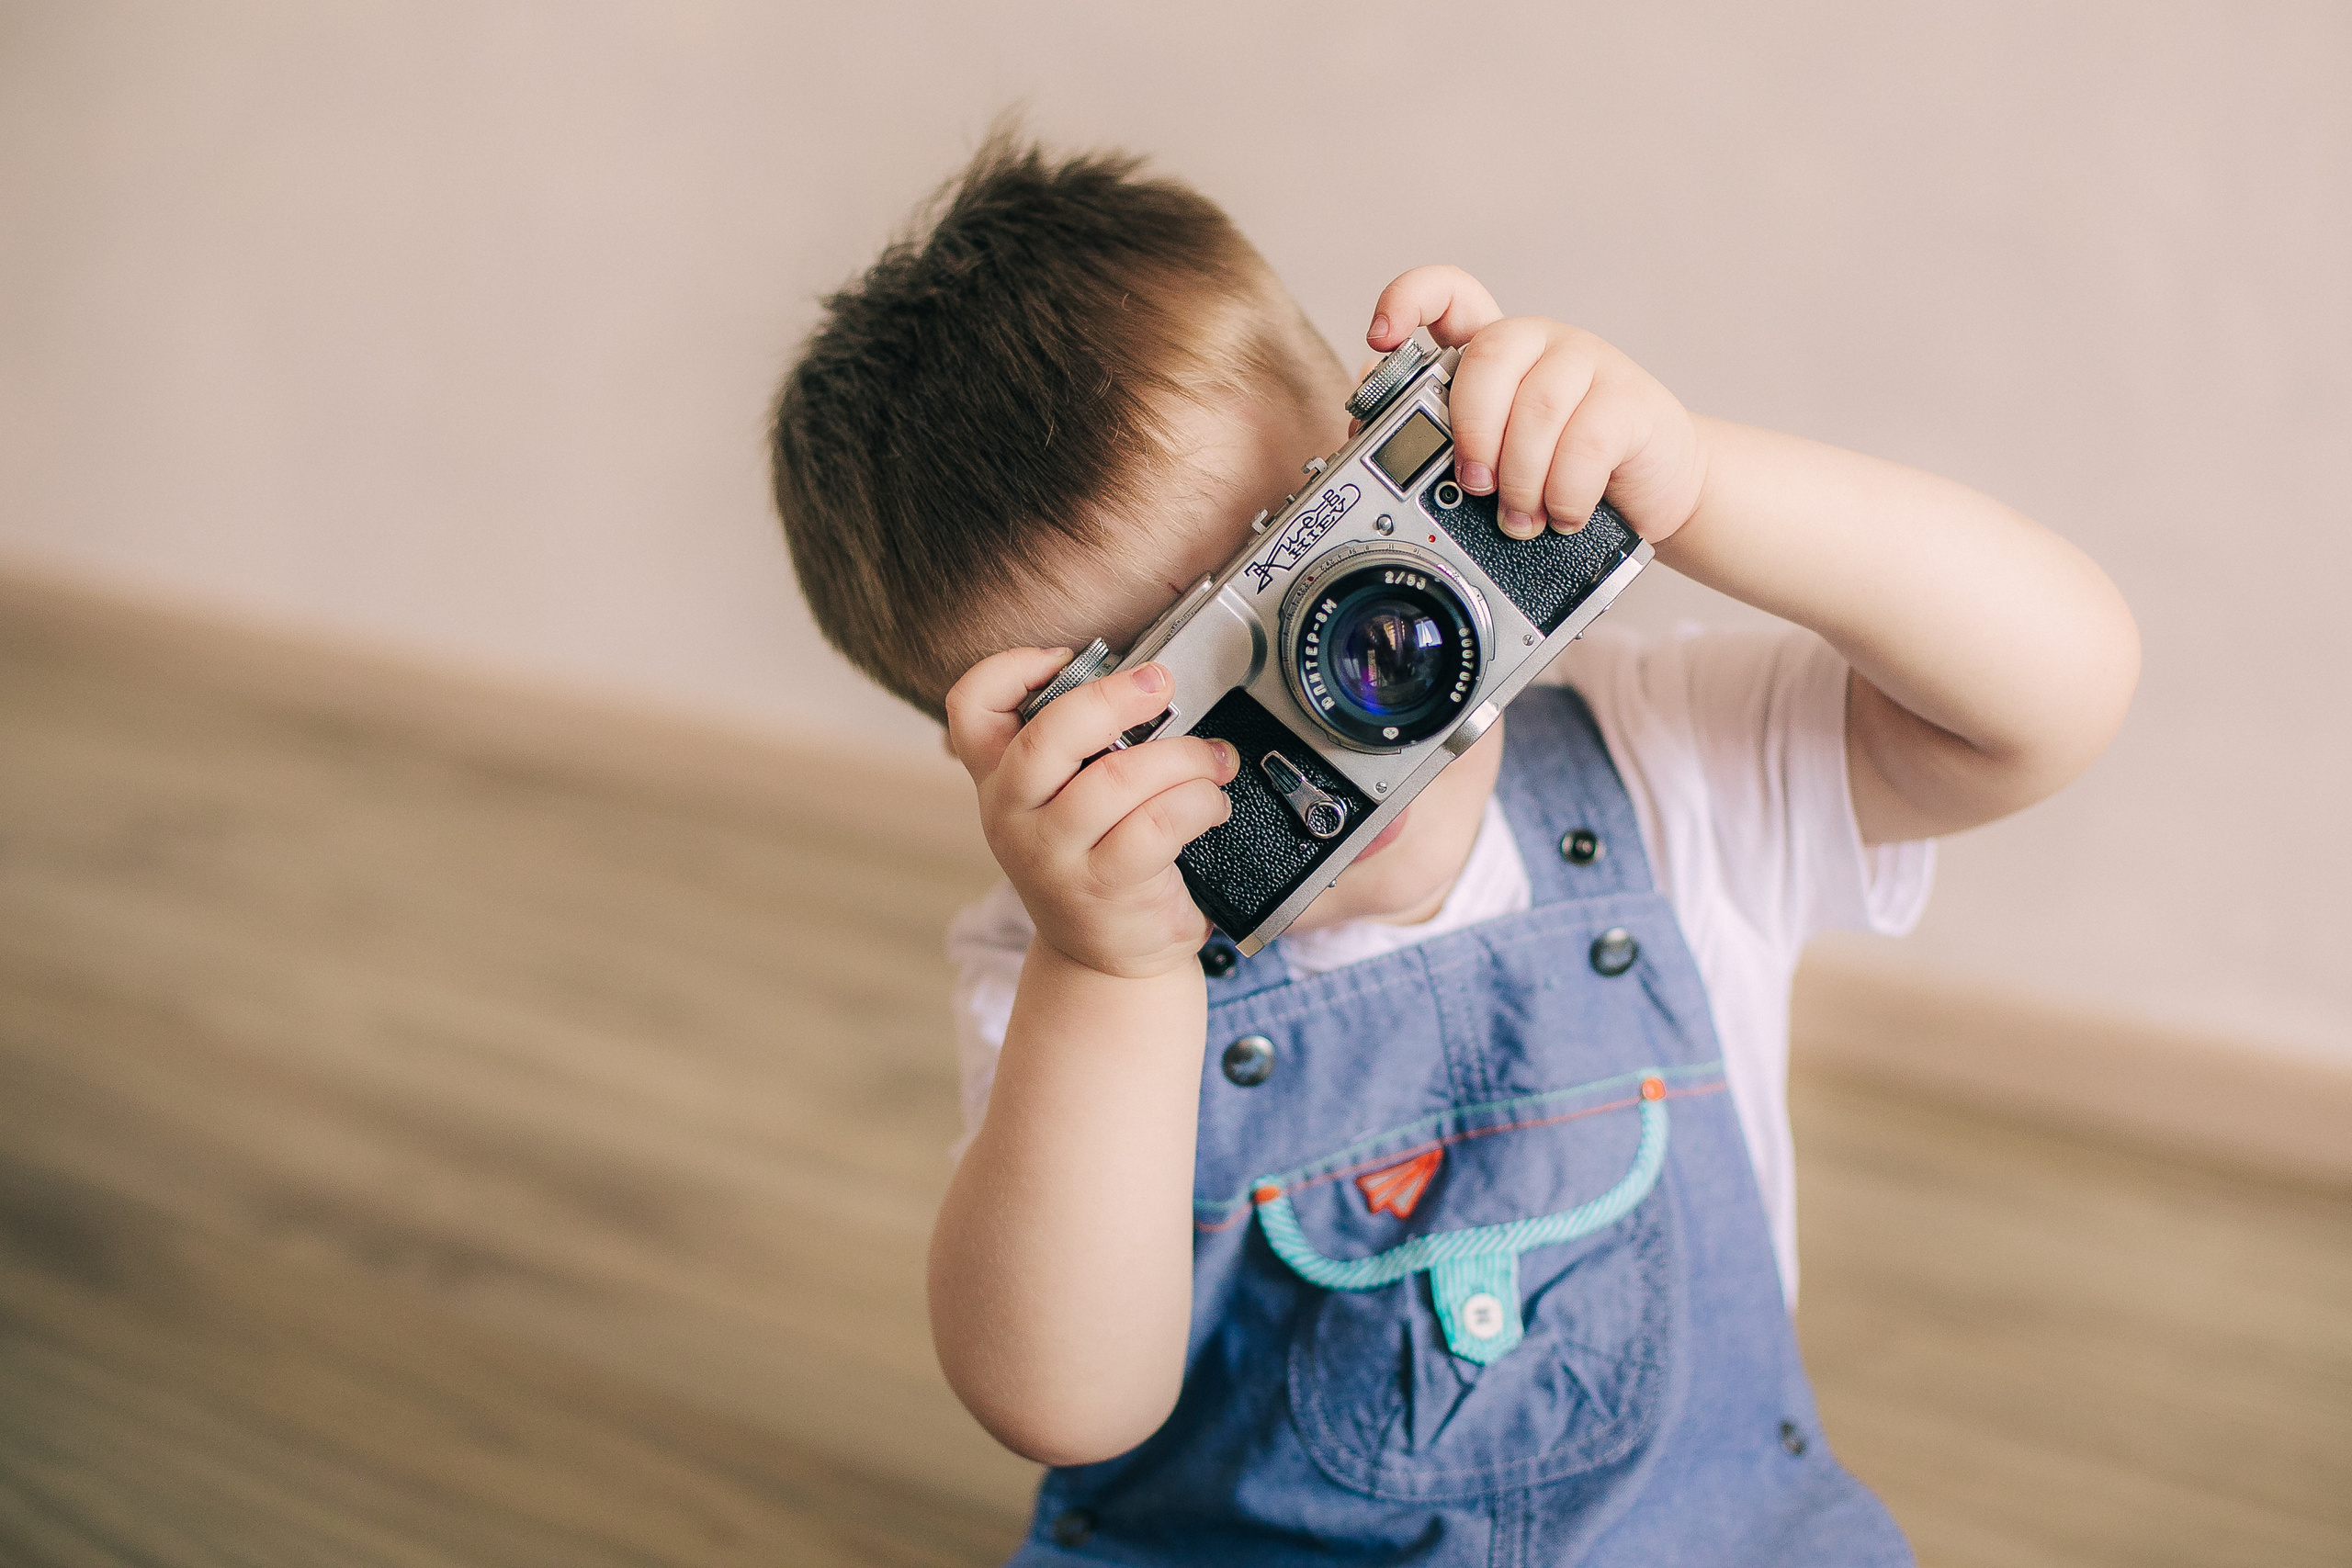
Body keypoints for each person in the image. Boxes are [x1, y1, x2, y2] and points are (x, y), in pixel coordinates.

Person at [770, 133, 2138, 1565]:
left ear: (1385, 457)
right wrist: (1110, 977)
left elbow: (2057, 692)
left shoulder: (1663, 762)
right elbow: (1065, 1403)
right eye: (1191, 694)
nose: (1334, 694)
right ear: (1023, 756)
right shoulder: (1079, 971)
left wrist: (1688, 480)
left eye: (1310, 576)